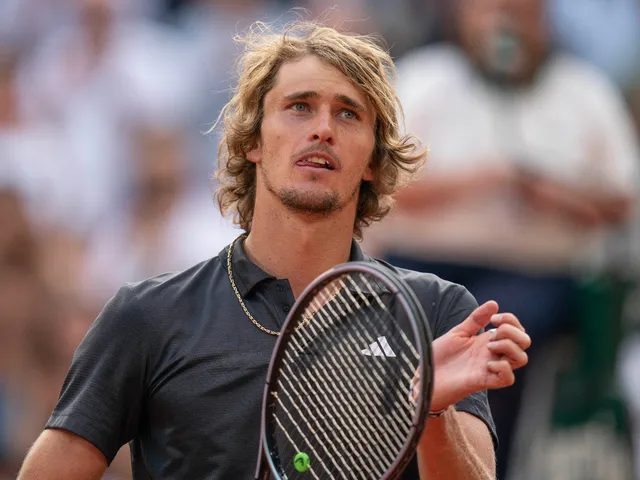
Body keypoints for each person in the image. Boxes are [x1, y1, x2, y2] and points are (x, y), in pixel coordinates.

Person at [17, 20, 531, 479]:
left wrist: (431, 411)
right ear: (252, 142)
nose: (323, 128)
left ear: (373, 162)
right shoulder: (146, 316)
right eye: (299, 106)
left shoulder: (436, 313)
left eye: (348, 114)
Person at [364, 0, 639, 477]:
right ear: (464, 18)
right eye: (491, 11)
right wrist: (486, 180)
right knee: (386, 327)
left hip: (538, 274)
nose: (506, 25)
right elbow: (382, 184)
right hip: (421, 264)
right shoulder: (425, 80)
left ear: (544, 21)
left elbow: (621, 202)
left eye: (522, 13)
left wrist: (549, 192)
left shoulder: (583, 92)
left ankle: (483, 468)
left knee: (495, 338)